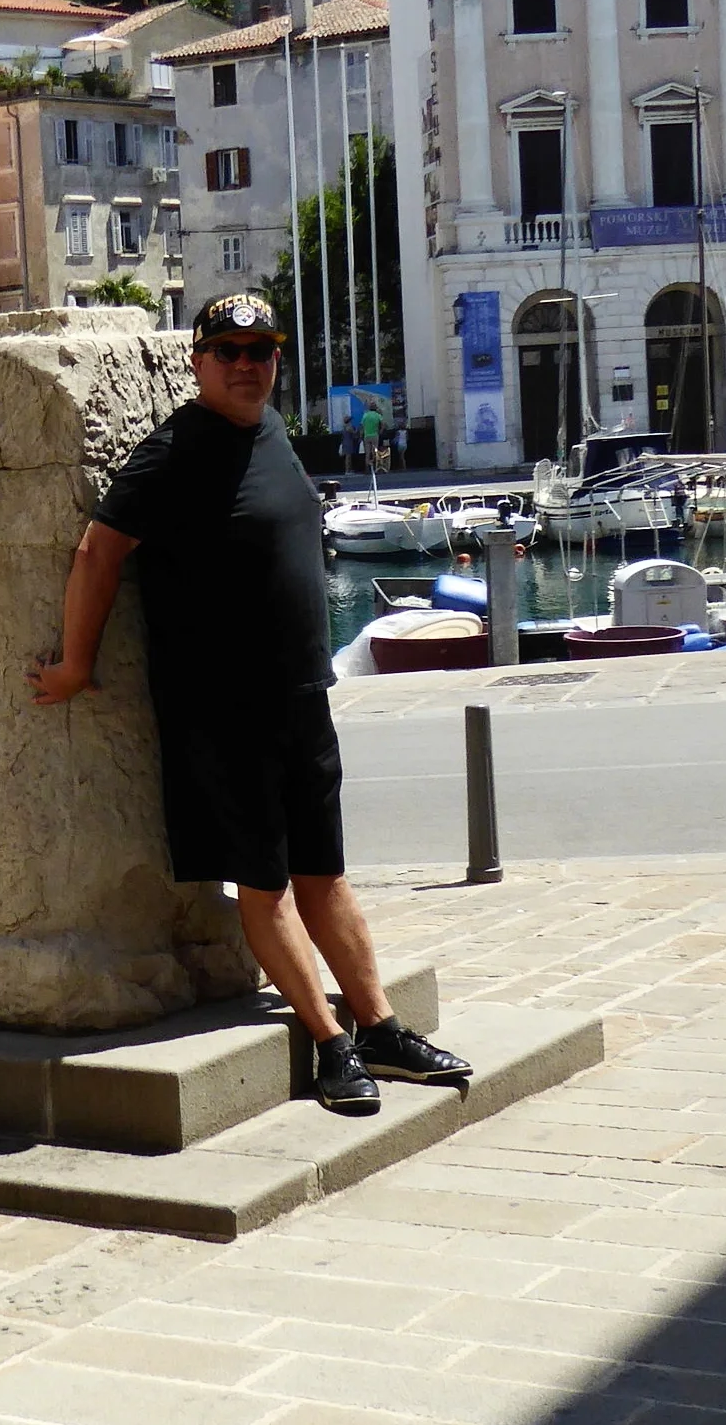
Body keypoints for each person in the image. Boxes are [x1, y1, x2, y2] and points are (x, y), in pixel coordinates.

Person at [28, 292, 471, 1117]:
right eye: (227, 352)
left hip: (301, 696)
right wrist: (75, 665)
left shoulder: (270, 432)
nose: (245, 364)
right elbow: (97, 553)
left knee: (324, 875)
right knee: (263, 888)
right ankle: (330, 1045)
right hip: (219, 710)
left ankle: (375, 1025)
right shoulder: (173, 451)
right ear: (197, 363)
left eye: (260, 350)